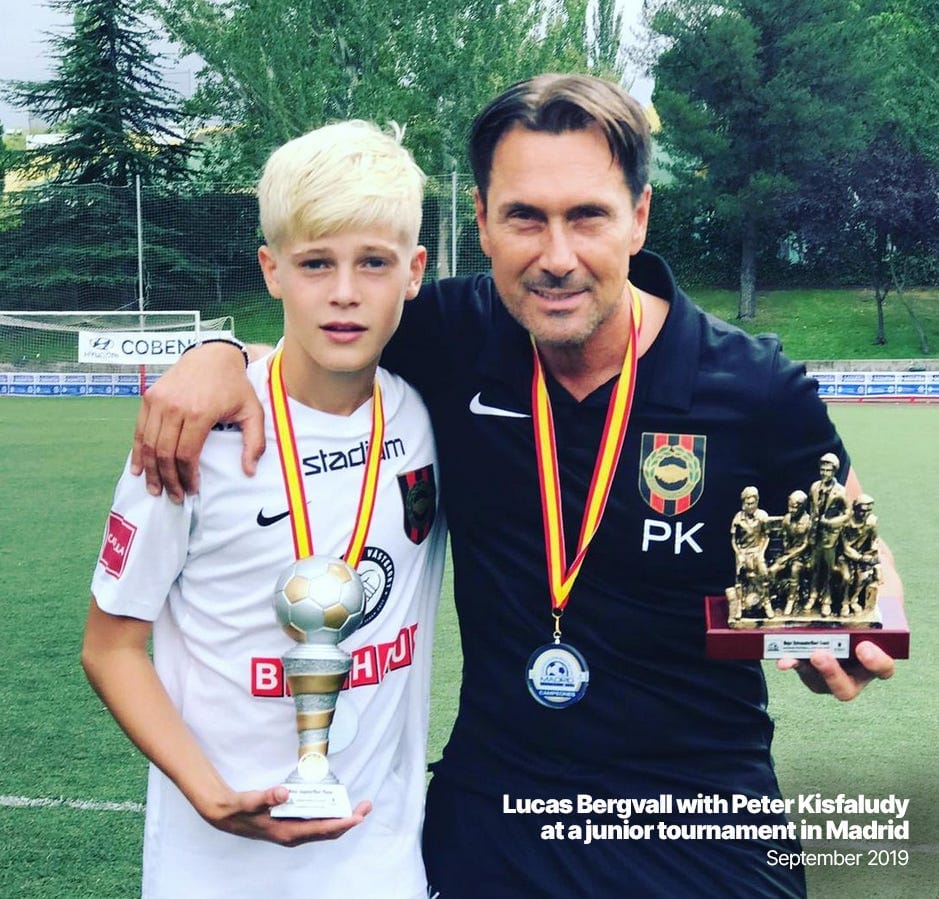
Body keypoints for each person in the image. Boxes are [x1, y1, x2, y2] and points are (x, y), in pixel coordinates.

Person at [128, 75, 901, 898]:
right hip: (499, 815)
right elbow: (323, 330)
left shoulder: (751, 387)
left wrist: (854, 630)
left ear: (638, 217)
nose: (556, 255)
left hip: (698, 824)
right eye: (525, 217)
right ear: (484, 224)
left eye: (587, 216)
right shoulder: (450, 335)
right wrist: (214, 354)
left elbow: (865, 575)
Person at [82, 120, 447, 899]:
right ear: (271, 269)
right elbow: (110, 645)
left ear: (414, 271)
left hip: (378, 863)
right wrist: (208, 796)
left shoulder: (426, 418)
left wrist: (216, 348)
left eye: (373, 263)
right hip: (211, 868)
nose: (344, 291)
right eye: (315, 262)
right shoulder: (193, 435)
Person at [806, 452, 850, 616]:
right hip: (815, 534)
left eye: (828, 470)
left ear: (834, 471)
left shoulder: (840, 491)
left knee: (829, 569)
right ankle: (812, 595)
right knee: (814, 567)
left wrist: (831, 523)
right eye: (822, 470)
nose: (825, 473)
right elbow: (811, 508)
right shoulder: (814, 487)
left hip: (831, 536)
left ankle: (827, 599)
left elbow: (847, 513)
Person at [730, 486, 772, 618]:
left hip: (757, 551)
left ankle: (766, 602)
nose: (750, 506)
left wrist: (761, 552)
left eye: (752, 503)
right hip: (743, 551)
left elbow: (766, 536)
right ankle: (740, 605)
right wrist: (739, 554)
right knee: (739, 575)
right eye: (747, 503)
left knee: (764, 572)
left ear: (757, 502)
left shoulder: (762, 516)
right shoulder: (738, 518)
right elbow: (734, 540)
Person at [769, 490, 812, 615]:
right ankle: (774, 597)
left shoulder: (808, 522)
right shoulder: (787, 519)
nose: (792, 510)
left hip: (803, 557)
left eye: (795, 507)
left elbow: (805, 545)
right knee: (772, 570)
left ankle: (791, 599)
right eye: (790, 506)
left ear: (802, 506)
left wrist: (789, 556)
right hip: (787, 554)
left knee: (795, 569)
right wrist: (785, 553)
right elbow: (785, 539)